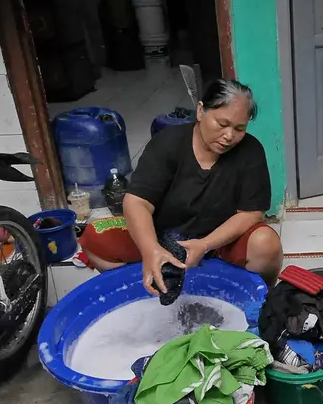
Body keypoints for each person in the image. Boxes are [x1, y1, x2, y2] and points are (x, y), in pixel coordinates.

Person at [78, 79, 283, 293]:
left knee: (266, 244)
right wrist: (150, 250)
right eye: (222, 124)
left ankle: (257, 300)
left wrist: (205, 244)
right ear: (201, 111)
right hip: (163, 236)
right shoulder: (167, 143)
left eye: (240, 128)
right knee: (95, 237)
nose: (229, 136)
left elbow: (250, 214)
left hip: (220, 242)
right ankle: (147, 286)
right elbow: (137, 202)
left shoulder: (251, 151)